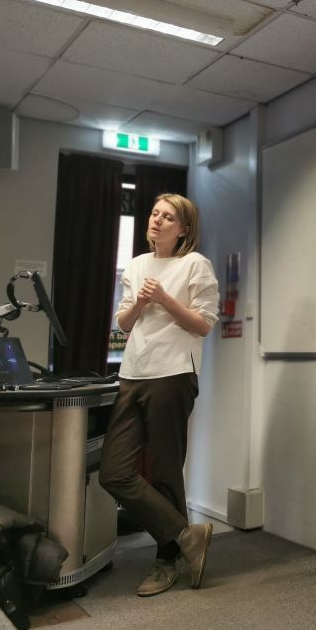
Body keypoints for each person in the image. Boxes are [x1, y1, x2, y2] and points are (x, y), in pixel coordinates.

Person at [100, 193, 220, 597]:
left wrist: (165, 299)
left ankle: (166, 562)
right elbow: (123, 323)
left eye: (168, 217)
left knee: (167, 472)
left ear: (183, 229)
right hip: (133, 372)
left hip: (173, 373)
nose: (157, 220)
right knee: (113, 472)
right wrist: (139, 302)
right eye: (154, 214)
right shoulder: (136, 265)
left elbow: (203, 325)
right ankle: (187, 535)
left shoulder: (195, 264)